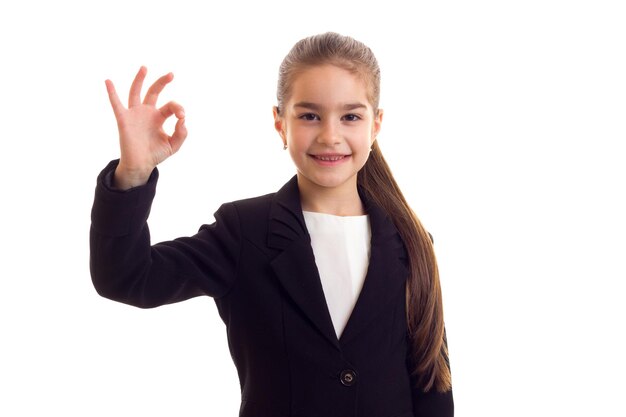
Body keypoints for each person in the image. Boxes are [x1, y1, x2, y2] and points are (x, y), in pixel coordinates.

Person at [90, 32, 453, 417]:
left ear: (376, 124)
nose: (330, 135)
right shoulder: (243, 232)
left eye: (350, 116)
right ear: (280, 123)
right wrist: (133, 173)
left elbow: (432, 382)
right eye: (309, 115)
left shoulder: (411, 241)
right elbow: (126, 277)